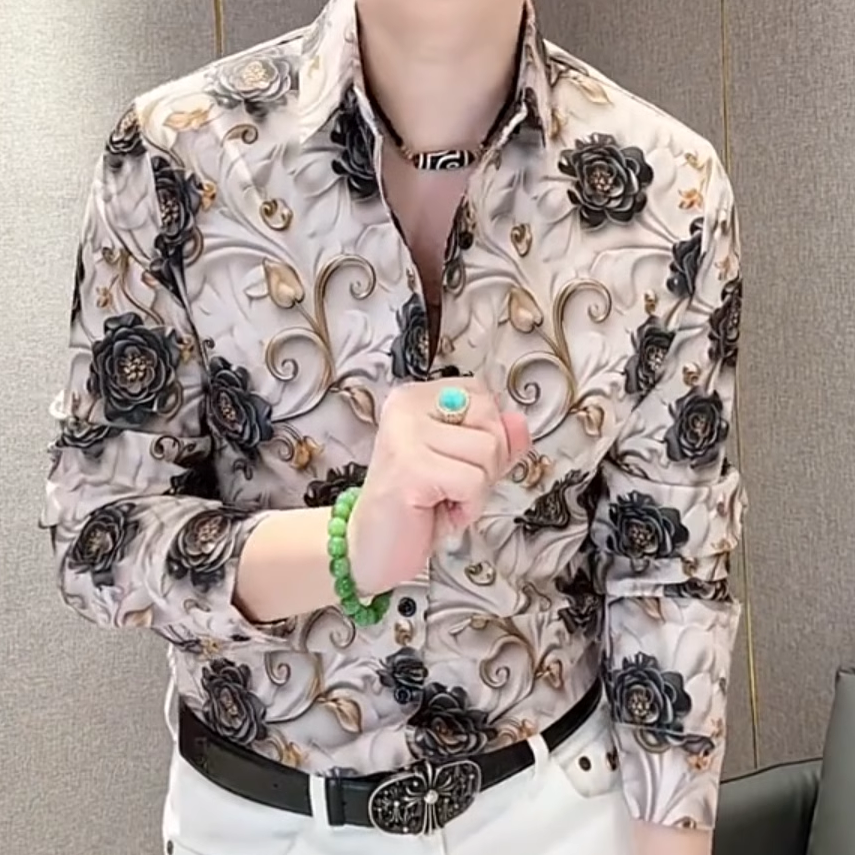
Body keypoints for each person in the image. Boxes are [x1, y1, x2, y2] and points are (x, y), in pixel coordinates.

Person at [41, 0, 746, 852]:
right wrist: (346, 545)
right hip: (263, 820)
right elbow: (99, 535)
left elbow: (668, 568)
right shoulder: (175, 154)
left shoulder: (672, 188)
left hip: (560, 812)